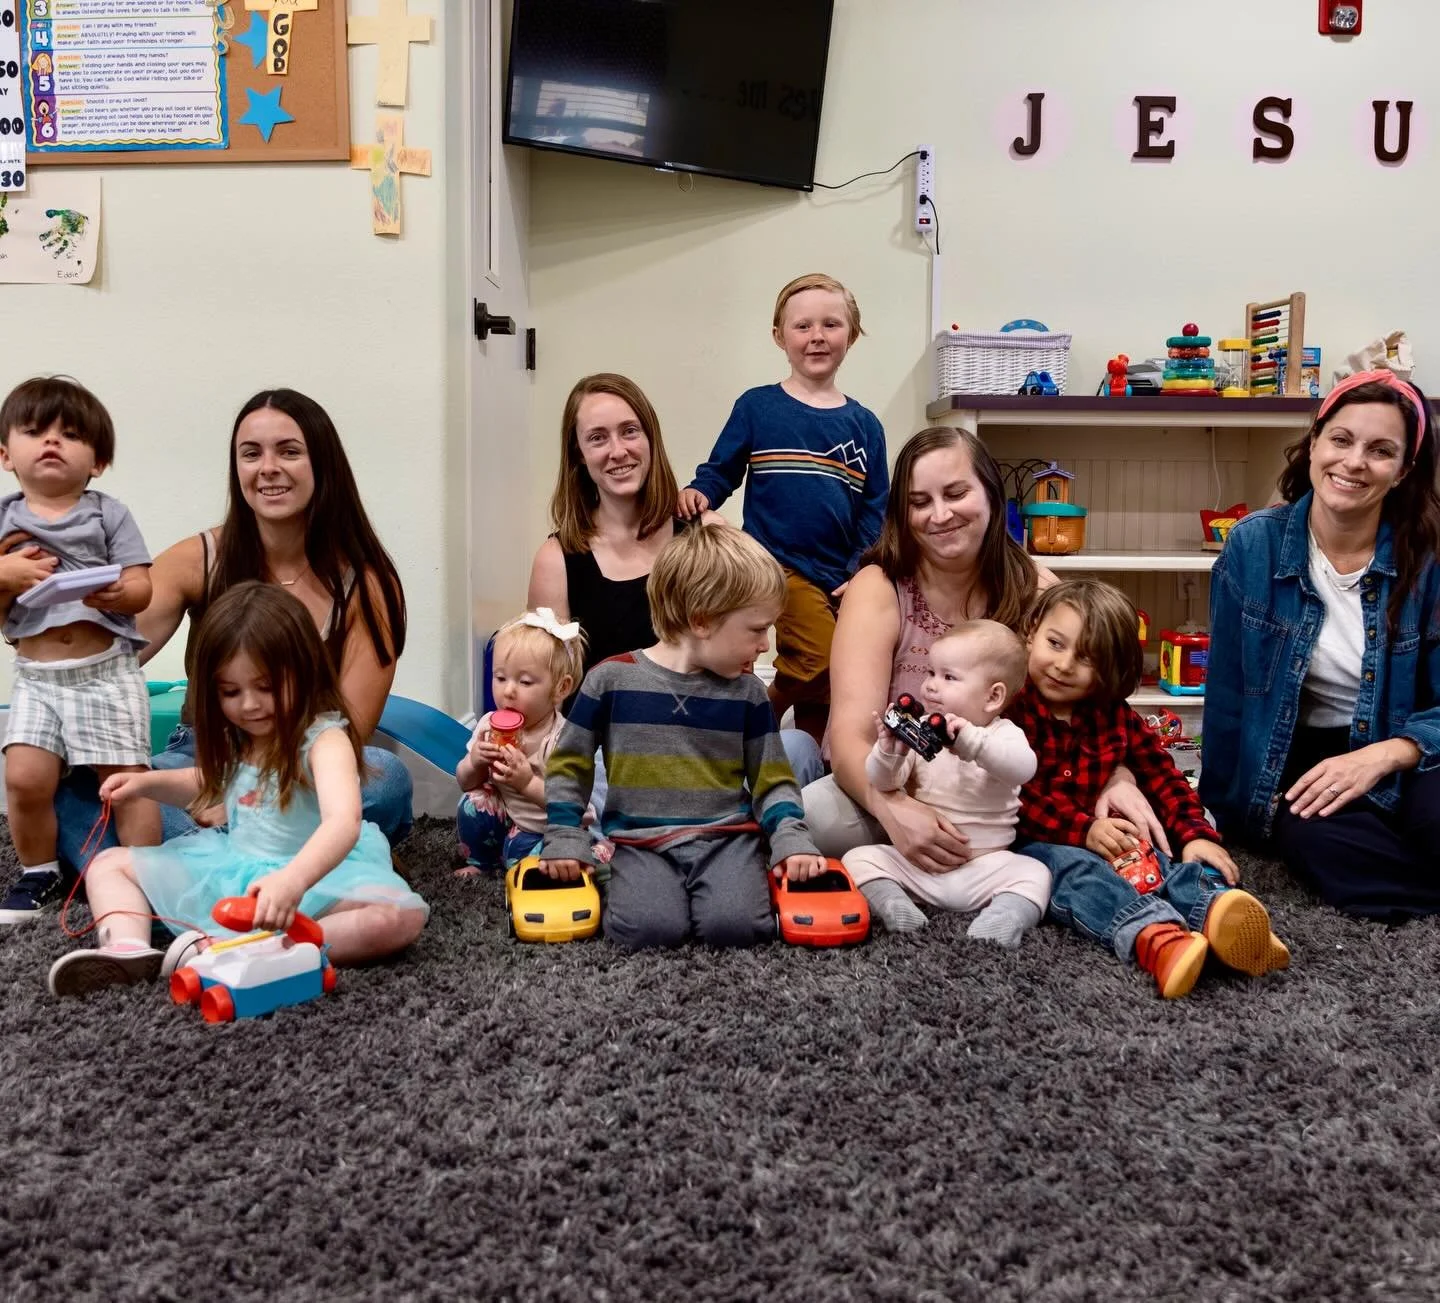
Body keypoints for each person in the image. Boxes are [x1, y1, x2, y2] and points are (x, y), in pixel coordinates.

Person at [49, 388, 414, 871]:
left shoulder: (367, 584)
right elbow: (102, 656)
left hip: (303, 763)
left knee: (387, 777)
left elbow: (349, 733)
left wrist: (253, 794)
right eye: (251, 454)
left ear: (323, 465)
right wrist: (32, 612)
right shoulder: (196, 558)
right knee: (84, 790)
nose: (267, 467)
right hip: (203, 759)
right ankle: (284, 860)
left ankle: (187, 867)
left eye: (289, 451)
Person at [804, 427, 1166, 869]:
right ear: (902, 512)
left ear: (991, 494)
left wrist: (1118, 777)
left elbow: (1097, 714)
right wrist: (894, 810)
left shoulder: (1038, 591)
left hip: (1005, 803)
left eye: (956, 493)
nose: (940, 515)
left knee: (1161, 815)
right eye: (920, 502)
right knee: (815, 820)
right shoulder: (879, 588)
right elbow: (849, 736)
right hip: (897, 783)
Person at [47, 583, 428, 997]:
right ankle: (128, 947)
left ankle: (256, 948)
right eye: (231, 692)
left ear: (304, 670)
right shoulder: (245, 736)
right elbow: (212, 786)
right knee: (110, 864)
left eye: (266, 687)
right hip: (236, 872)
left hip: (318, 880)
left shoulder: (324, 738)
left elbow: (343, 822)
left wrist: (292, 882)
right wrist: (145, 784)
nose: (248, 705)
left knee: (397, 918)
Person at [1201, 371, 1440, 922]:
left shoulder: (1429, 559)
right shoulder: (1253, 545)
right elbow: (1229, 695)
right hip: (1304, 753)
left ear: (1404, 471)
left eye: (1381, 451)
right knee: (1316, 838)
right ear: (1314, 443)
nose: (1354, 462)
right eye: (1341, 439)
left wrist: (1387, 754)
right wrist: (1218, 812)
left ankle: (1404, 870)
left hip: (1408, 747)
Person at [527, 372, 821, 788]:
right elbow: (546, 693)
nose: (618, 451)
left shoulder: (707, 534)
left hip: (709, 740)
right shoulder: (556, 560)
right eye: (597, 438)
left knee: (800, 749)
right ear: (578, 454)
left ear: (650, 438)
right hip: (613, 759)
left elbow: (744, 661)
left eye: (630, 431)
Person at [540, 524, 827, 950]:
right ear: (701, 620)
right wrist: (564, 836)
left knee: (739, 929)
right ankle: (611, 871)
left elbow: (773, 779)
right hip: (640, 844)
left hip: (727, 841)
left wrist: (790, 838)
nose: (766, 645)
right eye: (756, 629)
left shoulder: (748, 694)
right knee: (646, 931)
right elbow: (570, 763)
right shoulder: (610, 680)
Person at [1008, 579, 1289, 999]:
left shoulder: (1113, 716)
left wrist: (1194, 834)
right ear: (1031, 630)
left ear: (1110, 668)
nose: (1064, 665)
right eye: (1055, 643)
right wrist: (1082, 830)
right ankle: (1154, 938)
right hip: (1039, 844)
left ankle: (1217, 913)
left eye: (1086, 658)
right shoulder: (1009, 708)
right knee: (1079, 877)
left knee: (1159, 859)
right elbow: (1012, 797)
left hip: (1110, 835)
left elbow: (1162, 775)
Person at [677, 273, 889, 747]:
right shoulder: (758, 407)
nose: (817, 336)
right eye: (802, 326)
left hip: (838, 573)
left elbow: (875, 508)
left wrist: (861, 569)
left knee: (834, 684)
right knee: (819, 658)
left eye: (831, 324)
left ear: (850, 335)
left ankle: (812, 763)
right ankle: (754, 719)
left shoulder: (865, 425)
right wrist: (700, 493)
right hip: (775, 562)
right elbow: (721, 469)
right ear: (780, 337)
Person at [0, 377, 161, 925]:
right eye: (35, 431)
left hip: (103, 673)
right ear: (5, 454)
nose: (52, 442)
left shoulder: (107, 513)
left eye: (70, 435)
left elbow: (143, 586)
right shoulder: (5, 518)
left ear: (98, 461)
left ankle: (148, 873)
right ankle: (39, 871)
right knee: (22, 775)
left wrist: (120, 591)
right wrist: (8, 574)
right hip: (37, 678)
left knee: (126, 781)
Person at [842, 620, 1050, 947]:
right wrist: (887, 752)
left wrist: (969, 743)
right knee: (858, 859)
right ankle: (896, 907)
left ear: (993, 696)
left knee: (1035, 874)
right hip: (918, 866)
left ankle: (1002, 919)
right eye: (930, 673)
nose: (930, 687)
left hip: (986, 867)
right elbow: (883, 782)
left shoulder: (1002, 734)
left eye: (948, 677)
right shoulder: (922, 729)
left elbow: (1023, 768)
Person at [455, 606, 589, 874]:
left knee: (525, 859)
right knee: (471, 804)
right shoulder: (488, 726)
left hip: (547, 827)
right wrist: (476, 761)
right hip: (508, 815)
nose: (508, 691)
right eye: (500, 677)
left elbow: (574, 807)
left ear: (560, 688)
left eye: (525, 682)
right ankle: (481, 862)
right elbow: (464, 781)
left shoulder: (562, 740)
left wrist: (527, 782)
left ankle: (590, 853)